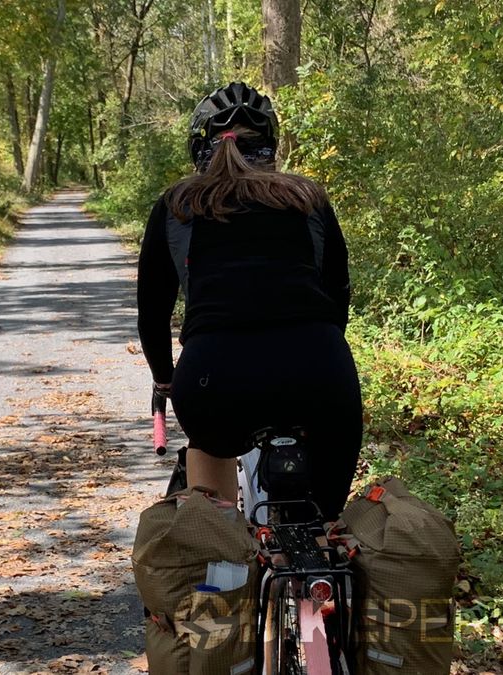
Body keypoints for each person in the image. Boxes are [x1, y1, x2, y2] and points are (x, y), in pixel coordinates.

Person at [137, 82, 362, 521]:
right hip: (321, 370)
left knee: (212, 495)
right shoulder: (307, 198)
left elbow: (152, 314)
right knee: (320, 526)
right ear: (271, 146)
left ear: (198, 148)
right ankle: (319, 568)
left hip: (212, 381)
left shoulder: (177, 205)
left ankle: (220, 558)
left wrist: (165, 379)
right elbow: (337, 298)